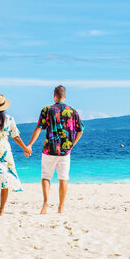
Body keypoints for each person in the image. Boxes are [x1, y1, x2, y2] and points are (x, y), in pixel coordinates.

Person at [25, 85, 84, 214]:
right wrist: (72, 145)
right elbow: (80, 131)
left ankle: (45, 203)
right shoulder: (73, 111)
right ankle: (61, 207)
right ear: (65, 96)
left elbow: (39, 128)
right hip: (65, 151)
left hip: (49, 150)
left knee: (46, 177)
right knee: (63, 179)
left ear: (54, 95)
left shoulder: (47, 110)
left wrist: (29, 145)